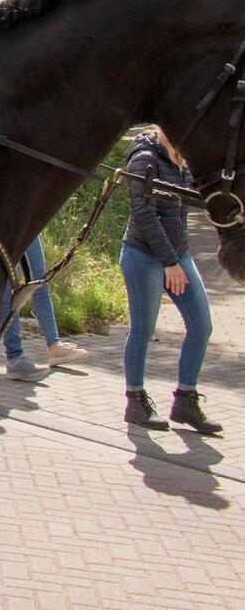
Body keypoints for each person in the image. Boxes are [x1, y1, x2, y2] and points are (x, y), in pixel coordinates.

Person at [120, 126, 221, 434]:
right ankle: (135, 401)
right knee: (143, 331)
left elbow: (195, 197)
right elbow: (144, 215)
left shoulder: (181, 159)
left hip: (178, 255)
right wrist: (170, 262)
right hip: (143, 257)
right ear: (162, 129)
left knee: (202, 326)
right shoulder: (144, 159)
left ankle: (185, 401)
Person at [2, 237, 90, 380]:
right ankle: (14, 357)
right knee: (10, 290)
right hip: (8, 226)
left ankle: (54, 345)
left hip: (29, 222)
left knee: (40, 283)